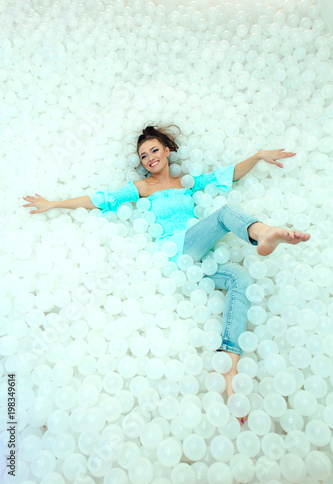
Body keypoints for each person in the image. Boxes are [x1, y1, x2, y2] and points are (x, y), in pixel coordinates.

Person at [23, 124, 310, 425]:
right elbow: (100, 199)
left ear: (168, 150)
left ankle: (230, 366)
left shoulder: (187, 182)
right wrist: (53, 203)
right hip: (175, 253)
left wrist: (258, 156)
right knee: (226, 213)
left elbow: (227, 175)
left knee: (240, 278)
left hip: (199, 263)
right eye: (144, 156)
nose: (149, 158)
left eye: (154, 150)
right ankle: (263, 234)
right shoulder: (142, 187)